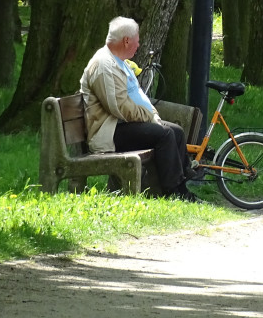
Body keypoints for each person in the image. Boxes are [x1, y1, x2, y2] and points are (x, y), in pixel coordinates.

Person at [80, 16, 197, 202]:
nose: (139, 44)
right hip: (109, 133)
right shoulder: (103, 65)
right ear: (126, 40)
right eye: (137, 40)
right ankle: (174, 192)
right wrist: (149, 116)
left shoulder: (120, 63)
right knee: (164, 134)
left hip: (124, 126)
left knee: (176, 131)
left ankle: (181, 183)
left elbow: (138, 97)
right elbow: (119, 107)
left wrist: (153, 115)